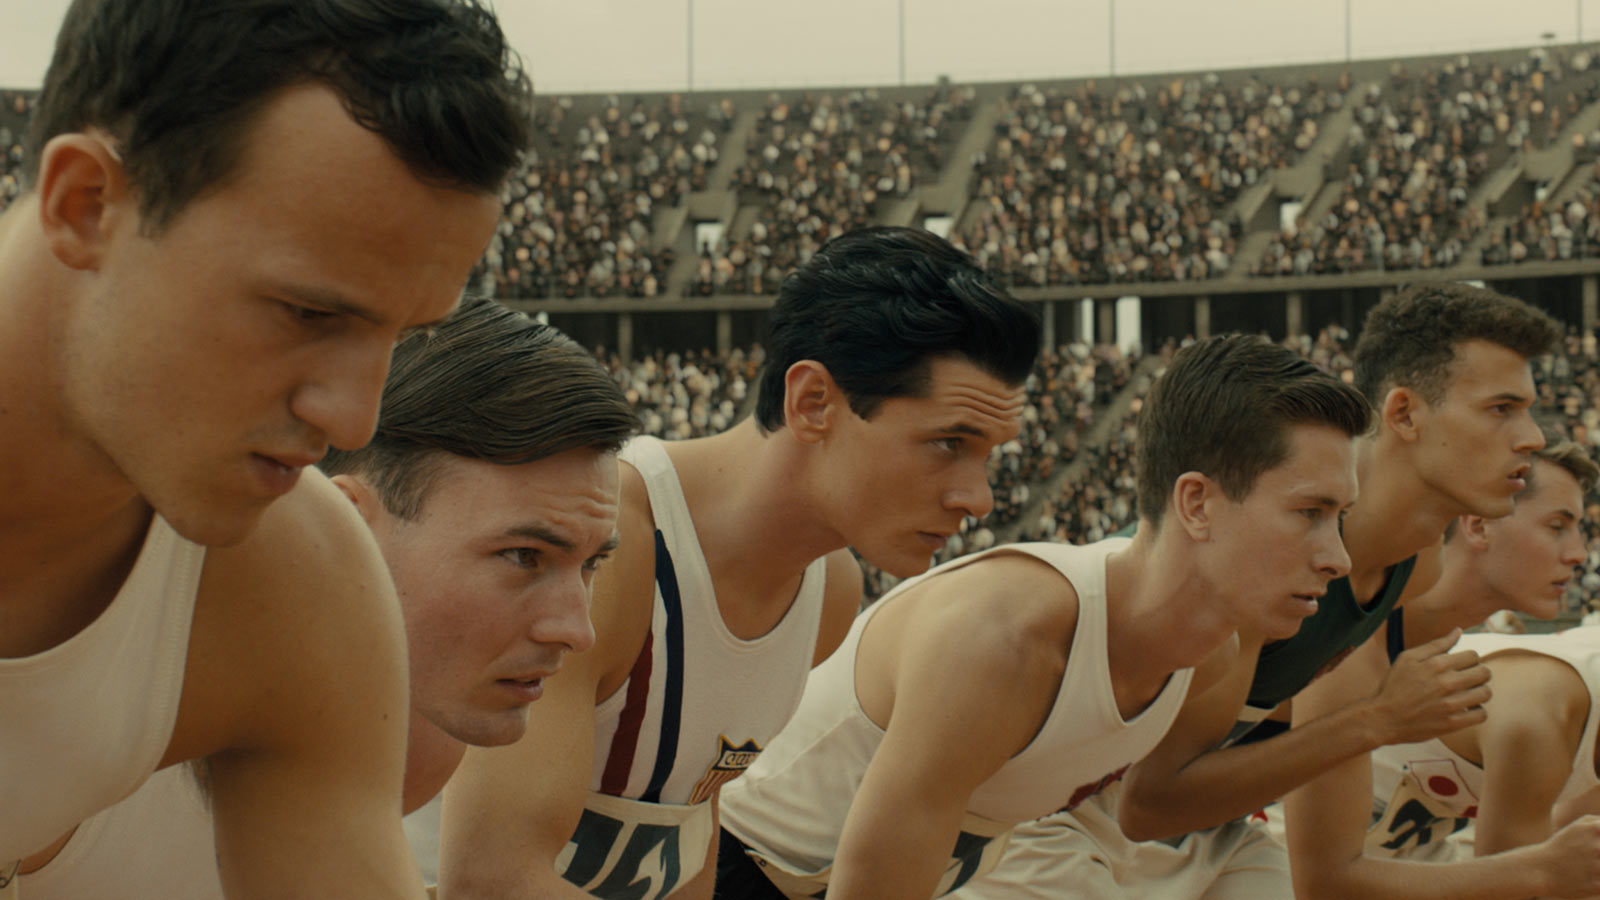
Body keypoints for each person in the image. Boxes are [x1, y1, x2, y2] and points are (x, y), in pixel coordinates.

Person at [0, 0, 530, 896]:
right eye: (309, 313)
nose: (355, 421)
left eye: (402, 335)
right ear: (87, 206)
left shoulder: (293, 588)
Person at [437, 225, 1043, 900]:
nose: (978, 498)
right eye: (950, 443)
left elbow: (686, 842)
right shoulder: (609, 547)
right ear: (812, 402)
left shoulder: (828, 590)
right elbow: (491, 881)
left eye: (989, 454)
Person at [949, 283, 1569, 900]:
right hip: (1061, 813)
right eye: (1502, 408)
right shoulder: (1264, 561)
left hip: (1200, 829)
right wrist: (1377, 722)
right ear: (1404, 413)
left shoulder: (1414, 565)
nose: (1533, 437)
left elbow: (1325, 842)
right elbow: (1147, 802)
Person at [17, 295, 639, 898]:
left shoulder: (431, 731)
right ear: (347, 523)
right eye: (524, 556)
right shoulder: (104, 693)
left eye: (591, 564)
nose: (576, 630)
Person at [713, 332, 1371, 900]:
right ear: (1196, 504)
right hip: (742, 872)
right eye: (1308, 513)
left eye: (1339, 517)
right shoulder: (1004, 642)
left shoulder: (1205, 660)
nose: (1337, 557)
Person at [1287, 431, 1600, 897]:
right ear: (1478, 526)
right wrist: (1539, 870)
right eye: (1557, 526)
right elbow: (1324, 882)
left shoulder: (1461, 653)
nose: (1578, 554)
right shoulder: (1354, 628)